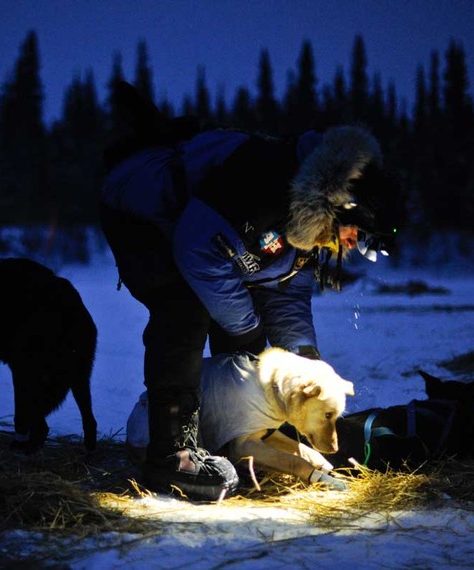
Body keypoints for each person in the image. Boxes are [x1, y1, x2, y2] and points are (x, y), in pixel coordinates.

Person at [99, 82, 400, 501]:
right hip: (142, 211)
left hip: (197, 234)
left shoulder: (309, 217)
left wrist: (303, 357)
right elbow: (196, 250)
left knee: (242, 347)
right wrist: (246, 330)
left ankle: (237, 440)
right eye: (358, 236)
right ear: (345, 206)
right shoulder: (265, 187)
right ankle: (171, 452)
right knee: (186, 309)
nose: (352, 246)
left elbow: (287, 288)